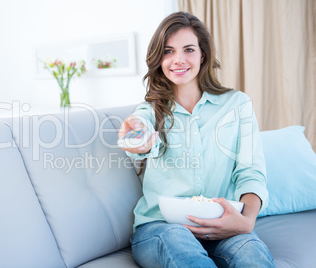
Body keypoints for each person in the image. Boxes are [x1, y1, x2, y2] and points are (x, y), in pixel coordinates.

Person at [118, 11, 275, 267]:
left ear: (203, 54)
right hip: (162, 228)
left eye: (188, 49)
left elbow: (251, 172)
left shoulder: (237, 105)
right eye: (168, 51)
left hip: (223, 225)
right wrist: (137, 137)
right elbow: (136, 130)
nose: (178, 60)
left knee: (252, 256)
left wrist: (246, 222)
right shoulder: (150, 110)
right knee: (182, 248)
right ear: (159, 58)